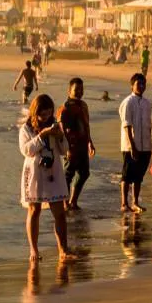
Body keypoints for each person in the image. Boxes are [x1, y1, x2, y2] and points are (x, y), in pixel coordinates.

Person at [18, 94, 76, 262]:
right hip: (35, 172)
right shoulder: (26, 129)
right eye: (42, 114)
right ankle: (34, 250)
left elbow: (64, 149)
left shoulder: (55, 125)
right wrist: (42, 135)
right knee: (34, 210)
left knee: (59, 212)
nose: (45, 116)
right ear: (35, 113)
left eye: (49, 113)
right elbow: (27, 150)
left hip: (53, 171)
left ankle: (63, 250)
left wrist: (59, 135)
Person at [119, 73, 152, 214]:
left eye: (143, 84)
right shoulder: (128, 102)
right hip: (130, 146)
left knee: (139, 176)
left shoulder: (147, 103)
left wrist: (149, 145)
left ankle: (135, 202)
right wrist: (132, 146)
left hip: (145, 145)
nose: (141, 86)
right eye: (138, 84)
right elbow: (127, 125)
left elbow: (148, 125)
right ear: (132, 85)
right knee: (127, 175)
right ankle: (124, 203)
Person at [60, 78, 95, 211]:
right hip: (71, 147)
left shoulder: (84, 105)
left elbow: (86, 126)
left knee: (84, 173)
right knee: (67, 175)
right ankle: (64, 203)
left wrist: (90, 143)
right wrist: (66, 148)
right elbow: (62, 131)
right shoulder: (65, 108)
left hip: (82, 145)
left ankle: (73, 201)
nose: (80, 92)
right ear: (69, 91)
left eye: (81, 89)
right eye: (76, 90)